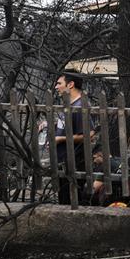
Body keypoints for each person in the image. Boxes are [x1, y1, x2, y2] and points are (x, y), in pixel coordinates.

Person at [52, 70, 88, 204]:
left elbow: (87, 135)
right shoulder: (70, 104)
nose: (56, 87)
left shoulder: (80, 106)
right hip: (64, 161)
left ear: (70, 84)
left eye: (59, 83)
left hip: (75, 162)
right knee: (63, 199)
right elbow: (69, 125)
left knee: (71, 201)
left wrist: (60, 139)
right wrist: (51, 124)